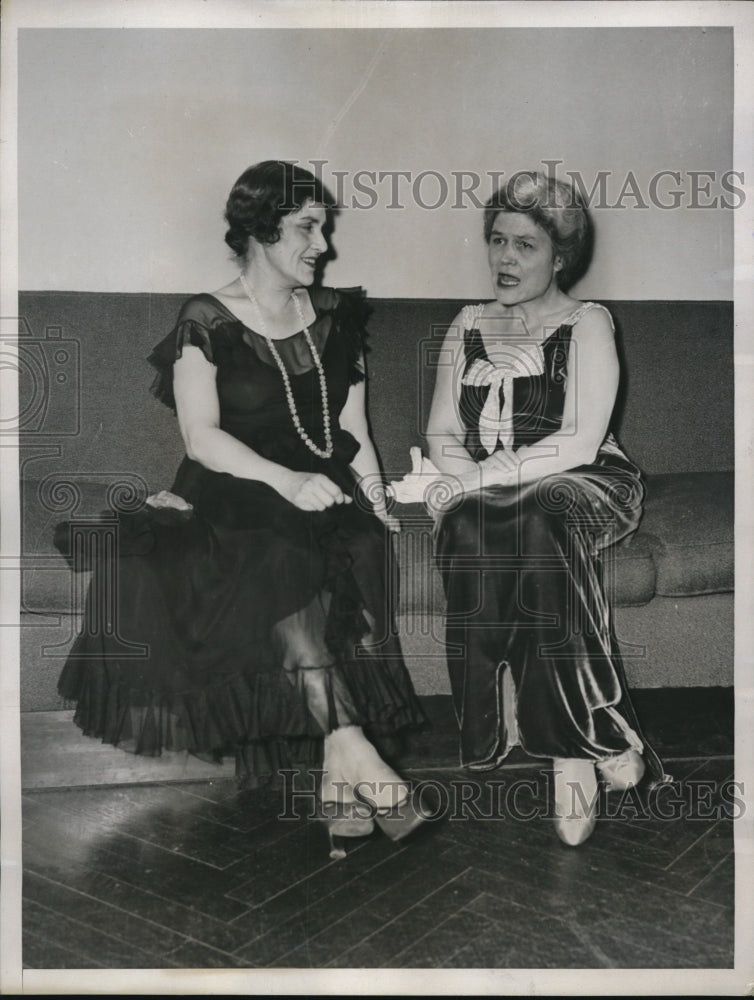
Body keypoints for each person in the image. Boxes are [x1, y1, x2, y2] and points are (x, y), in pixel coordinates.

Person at [57, 160, 428, 858]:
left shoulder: (339, 315)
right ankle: (352, 750)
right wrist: (285, 481)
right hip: (233, 490)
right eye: (307, 227)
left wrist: (376, 502)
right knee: (278, 552)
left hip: (323, 488)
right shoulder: (206, 319)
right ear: (260, 230)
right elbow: (201, 437)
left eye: (324, 227)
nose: (323, 244)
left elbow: (355, 429)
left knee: (364, 546)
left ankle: (340, 777)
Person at [391, 171, 668, 846]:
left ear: (561, 256)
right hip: (495, 490)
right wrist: (466, 487)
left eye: (525, 245)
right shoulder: (466, 324)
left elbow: (578, 441)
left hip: (588, 481)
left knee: (537, 512)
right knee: (473, 522)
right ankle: (586, 733)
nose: (505, 258)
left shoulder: (589, 322)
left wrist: (476, 480)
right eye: (497, 241)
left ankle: (573, 751)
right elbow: (441, 432)